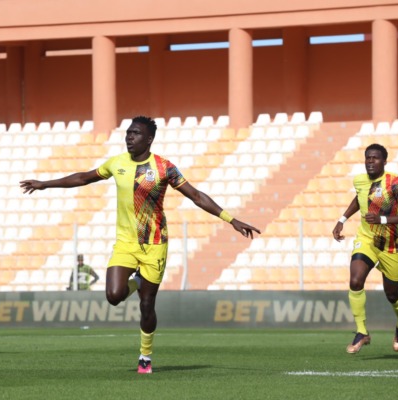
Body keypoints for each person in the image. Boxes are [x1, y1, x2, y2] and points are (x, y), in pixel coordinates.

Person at [20, 116, 260, 373]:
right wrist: (45, 184)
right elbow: (83, 178)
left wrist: (231, 219)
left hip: (155, 244)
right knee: (113, 296)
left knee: (147, 305)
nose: (129, 137)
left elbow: (196, 196)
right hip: (125, 243)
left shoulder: (164, 167)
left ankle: (145, 356)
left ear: (149, 139)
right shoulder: (117, 163)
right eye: (128, 133)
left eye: (135, 133)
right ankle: (135, 281)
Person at [333, 143, 398, 354]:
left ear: (384, 161)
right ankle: (362, 331)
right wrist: (342, 219)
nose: (370, 161)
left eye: (375, 158)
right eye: (367, 158)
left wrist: (382, 218)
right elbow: (359, 199)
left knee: (392, 294)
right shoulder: (359, 180)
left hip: (390, 244)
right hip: (367, 238)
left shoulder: (395, 183)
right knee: (355, 280)